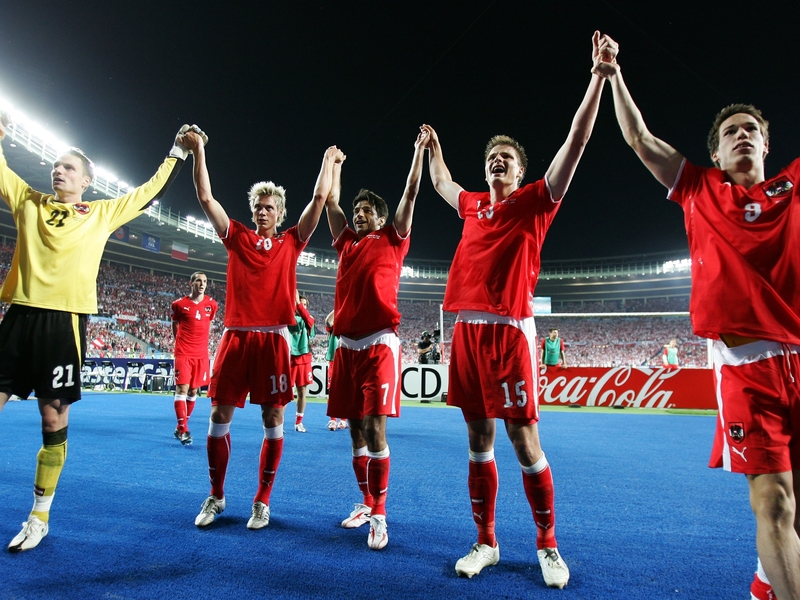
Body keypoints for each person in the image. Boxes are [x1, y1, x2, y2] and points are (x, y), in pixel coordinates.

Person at [593, 33, 800, 600]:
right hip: (746, 366)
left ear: (766, 144)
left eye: (751, 129)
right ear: (716, 153)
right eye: (730, 130)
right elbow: (638, 137)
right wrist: (612, 75)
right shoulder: (698, 189)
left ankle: (766, 581)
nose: (742, 135)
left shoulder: (795, 187)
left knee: (796, 509)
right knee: (774, 502)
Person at [424, 33, 610, 586]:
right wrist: (431, 149)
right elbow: (440, 181)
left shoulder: (536, 202)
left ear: (521, 168)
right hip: (467, 333)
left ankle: (548, 545)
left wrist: (597, 78)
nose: (496, 160)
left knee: (523, 439)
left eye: (505, 156)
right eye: (489, 157)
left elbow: (575, 143)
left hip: (510, 334)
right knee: (478, 441)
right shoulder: (473, 205)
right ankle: (486, 542)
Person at [0, 117, 197, 552]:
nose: (58, 171)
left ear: (88, 181)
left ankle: (39, 515)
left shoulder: (102, 212)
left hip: (64, 321)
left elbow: (149, 192)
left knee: (52, 418)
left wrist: (176, 152)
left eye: (68, 168)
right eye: (56, 166)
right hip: (19, 316)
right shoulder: (27, 201)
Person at [181, 129, 340, 530]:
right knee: (219, 414)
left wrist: (327, 162)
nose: (264, 211)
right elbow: (205, 198)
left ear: (280, 213)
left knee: (273, 418)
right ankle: (216, 496)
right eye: (259, 206)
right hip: (236, 337)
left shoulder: (291, 242)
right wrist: (200, 150)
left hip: (272, 340)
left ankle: (262, 501)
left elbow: (319, 200)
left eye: (270, 207)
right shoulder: (236, 236)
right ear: (253, 210)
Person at [325, 126, 429, 550]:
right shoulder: (346, 242)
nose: (358, 213)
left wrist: (419, 151)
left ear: (381, 217)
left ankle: (382, 514)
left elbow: (410, 192)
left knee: (374, 428)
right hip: (345, 348)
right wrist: (333, 166)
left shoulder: (393, 238)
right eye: (357, 209)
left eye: (366, 209)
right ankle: (367, 502)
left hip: (380, 344)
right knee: (353, 431)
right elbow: (329, 201)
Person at [170, 271, 218, 445]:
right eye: (198, 280)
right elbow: (175, 325)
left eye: (205, 281)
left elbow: (209, 324)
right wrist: (181, 344)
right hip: (184, 353)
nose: (202, 284)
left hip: (201, 355)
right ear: (191, 283)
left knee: (193, 391)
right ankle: (184, 430)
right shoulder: (179, 304)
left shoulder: (212, 305)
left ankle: (180, 426)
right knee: (182, 389)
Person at [289, 292, 315, 433]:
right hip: (290, 359)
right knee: (286, 393)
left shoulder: (309, 319)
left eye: (305, 305)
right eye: (300, 304)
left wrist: (298, 303)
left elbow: (309, 321)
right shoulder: (289, 317)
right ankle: (278, 422)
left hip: (304, 359)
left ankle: (299, 422)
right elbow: (291, 321)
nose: (302, 307)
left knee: (302, 391)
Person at [324, 310, 346, 431]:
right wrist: (337, 307)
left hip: (347, 361)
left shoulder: (350, 324)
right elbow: (328, 321)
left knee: (346, 392)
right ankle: (332, 420)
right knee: (332, 392)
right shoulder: (334, 326)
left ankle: (343, 420)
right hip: (334, 361)